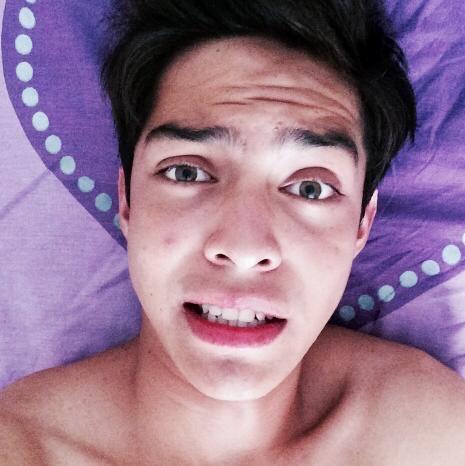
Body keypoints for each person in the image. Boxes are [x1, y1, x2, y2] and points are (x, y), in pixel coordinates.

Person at [2, 0, 465, 464]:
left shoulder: (436, 436)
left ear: (362, 223)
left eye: (310, 188)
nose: (244, 249)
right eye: (187, 173)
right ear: (127, 200)